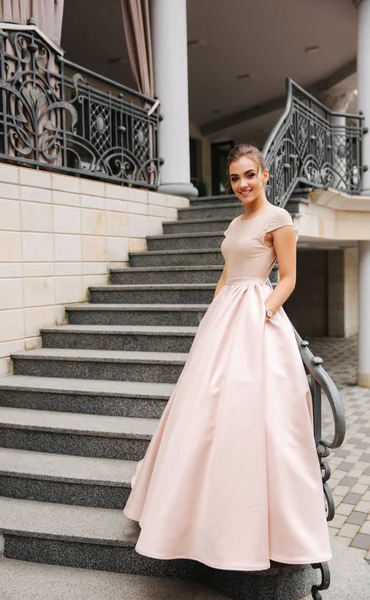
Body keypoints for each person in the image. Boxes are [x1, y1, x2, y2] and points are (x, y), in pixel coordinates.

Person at [123, 143, 331, 571]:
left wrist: (264, 312)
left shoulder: (279, 220)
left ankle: (259, 527)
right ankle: (186, 513)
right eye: (235, 177)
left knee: (253, 411)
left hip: (257, 313)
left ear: (265, 175)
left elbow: (289, 278)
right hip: (224, 317)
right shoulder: (235, 223)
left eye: (249, 175)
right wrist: (213, 315)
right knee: (201, 409)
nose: (242, 184)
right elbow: (225, 274)